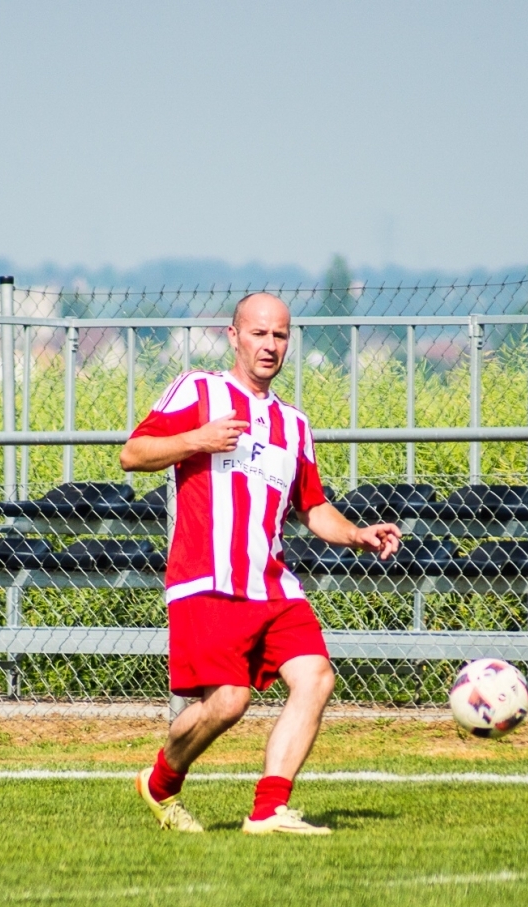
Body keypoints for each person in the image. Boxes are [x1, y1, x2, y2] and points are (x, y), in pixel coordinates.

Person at [119, 292, 402, 835]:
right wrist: (197, 439)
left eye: (280, 336)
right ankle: (159, 784)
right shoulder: (200, 390)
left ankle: (269, 810)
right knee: (228, 702)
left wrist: (358, 534)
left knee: (316, 677)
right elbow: (133, 454)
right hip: (207, 577)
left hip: (271, 583)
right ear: (234, 336)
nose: (269, 345)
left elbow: (313, 507)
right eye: (259, 333)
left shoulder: (294, 425)